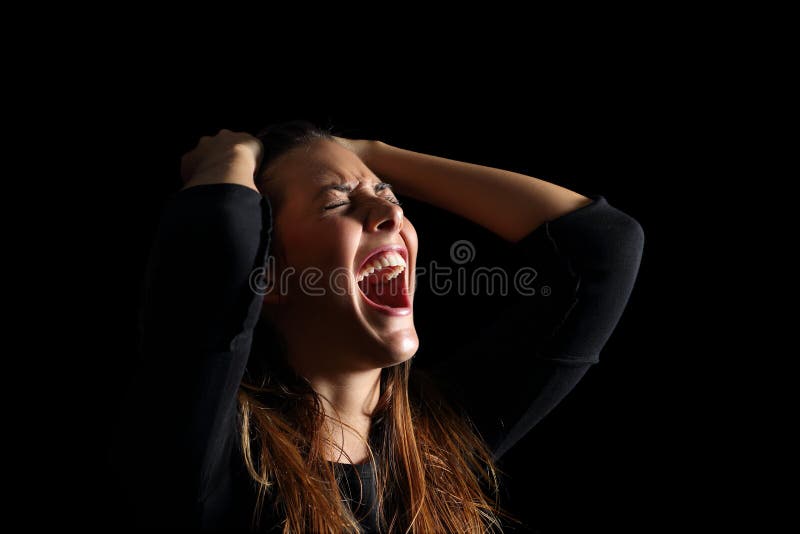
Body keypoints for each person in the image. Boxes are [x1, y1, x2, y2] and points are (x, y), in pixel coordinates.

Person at [115, 121, 645, 532]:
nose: (389, 214)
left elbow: (603, 246)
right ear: (267, 274)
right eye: (336, 202)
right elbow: (219, 240)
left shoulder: (439, 442)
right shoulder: (215, 458)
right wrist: (232, 156)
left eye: (389, 195)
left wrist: (371, 152)